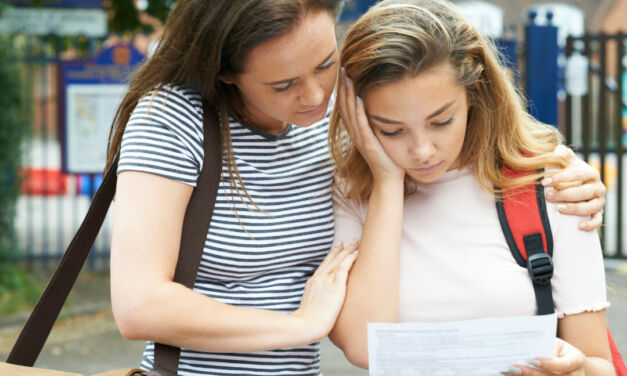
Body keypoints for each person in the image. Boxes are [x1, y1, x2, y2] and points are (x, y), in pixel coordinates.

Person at [106, 0, 606, 375]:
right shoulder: (174, 118)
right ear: (226, 74)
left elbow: (438, 120)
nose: (316, 95)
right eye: (283, 85)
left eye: (326, 63)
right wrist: (301, 327)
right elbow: (139, 305)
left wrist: (562, 172)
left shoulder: (345, 119)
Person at [329, 0, 615, 375]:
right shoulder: (353, 191)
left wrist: (575, 370)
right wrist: (386, 182)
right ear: (358, 115)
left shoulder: (551, 180)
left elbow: (599, 364)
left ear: (474, 91)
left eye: (441, 121)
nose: (421, 151)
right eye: (391, 130)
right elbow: (364, 346)